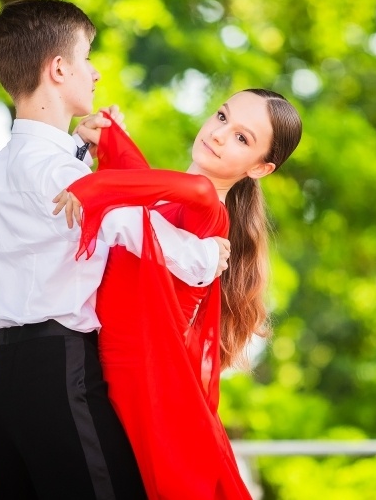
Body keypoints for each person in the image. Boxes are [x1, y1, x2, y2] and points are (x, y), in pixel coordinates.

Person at [0, 0, 230, 500]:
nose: (95, 71)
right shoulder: (59, 172)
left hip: (4, 381)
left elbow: (48, 204)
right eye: (87, 57)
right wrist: (205, 257)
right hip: (61, 372)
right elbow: (134, 228)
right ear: (59, 68)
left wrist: (81, 147)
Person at [58, 89, 303, 499]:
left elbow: (155, 188)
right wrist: (108, 136)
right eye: (222, 117)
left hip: (151, 394)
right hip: (114, 383)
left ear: (261, 168)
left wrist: (92, 187)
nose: (220, 134)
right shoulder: (165, 204)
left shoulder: (209, 210)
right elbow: (141, 182)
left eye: (243, 138)